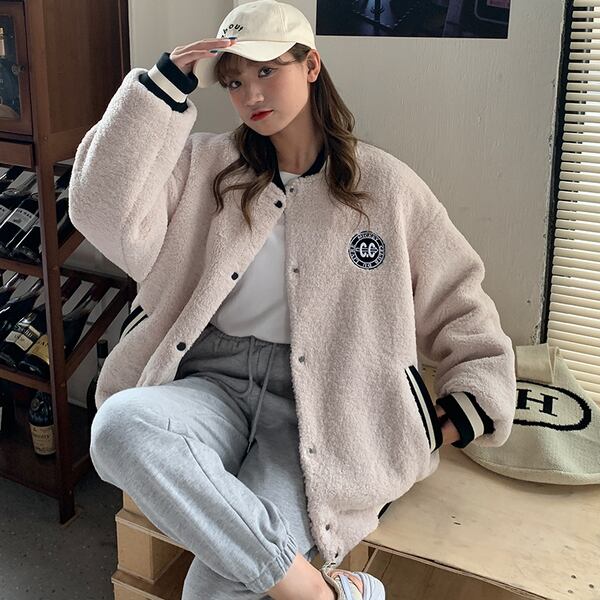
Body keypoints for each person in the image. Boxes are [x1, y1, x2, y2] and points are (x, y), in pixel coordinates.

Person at [68, 1, 517, 599]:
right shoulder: (204, 166)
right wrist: (162, 86)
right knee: (119, 426)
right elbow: (99, 209)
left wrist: (475, 393)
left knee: (212, 592)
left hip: (325, 408)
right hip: (211, 385)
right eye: (234, 81)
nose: (250, 94)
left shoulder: (384, 187)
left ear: (311, 65)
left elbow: (457, 292)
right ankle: (328, 593)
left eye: (266, 70)